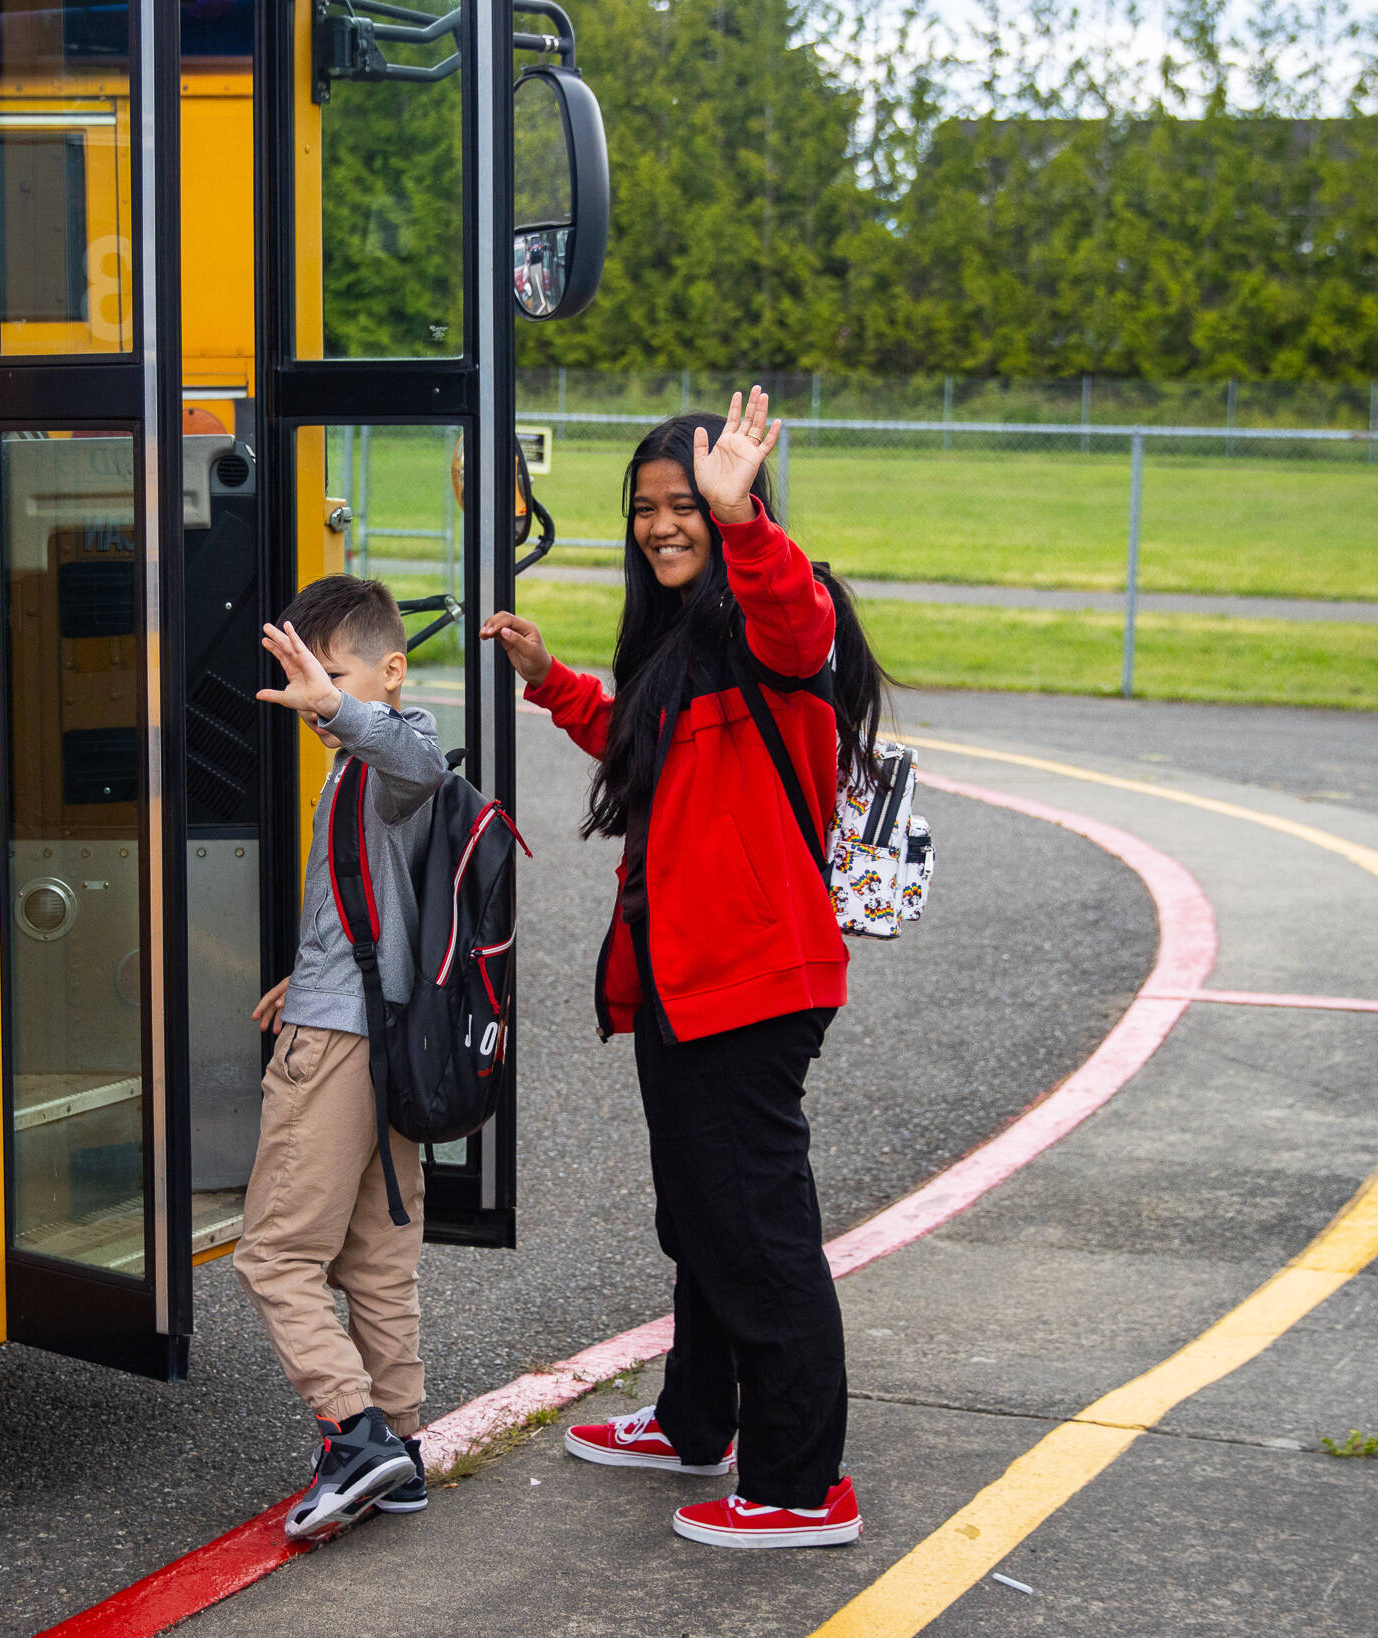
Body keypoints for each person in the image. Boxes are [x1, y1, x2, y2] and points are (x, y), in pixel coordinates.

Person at [481, 387, 889, 1550]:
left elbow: (797, 621)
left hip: (750, 981)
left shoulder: (773, 630)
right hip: (680, 978)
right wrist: (548, 677)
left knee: (755, 1234)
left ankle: (801, 1488)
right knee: (705, 1219)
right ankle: (693, 1418)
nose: (665, 526)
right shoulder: (681, 646)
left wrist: (743, 518)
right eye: (648, 509)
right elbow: (637, 742)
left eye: (685, 509)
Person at [233, 576, 449, 1541]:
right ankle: (400, 1453)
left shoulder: (393, 752)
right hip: (377, 1031)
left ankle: (354, 1433)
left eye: (337, 671)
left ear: (389, 672)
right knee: (374, 1259)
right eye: (307, 673)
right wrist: (305, 970)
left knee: (275, 1253)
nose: (317, 691)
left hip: (337, 1050)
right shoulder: (359, 768)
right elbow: (368, 906)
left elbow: (418, 764)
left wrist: (336, 707)